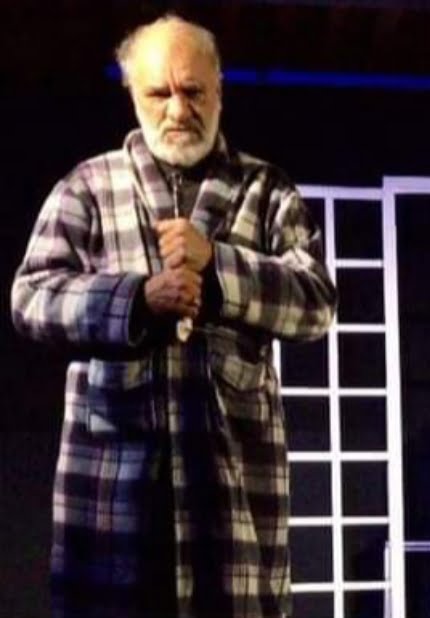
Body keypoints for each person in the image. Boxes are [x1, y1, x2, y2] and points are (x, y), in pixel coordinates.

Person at [9, 15, 336, 617]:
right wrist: (135, 300)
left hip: (232, 489)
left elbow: (316, 302)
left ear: (220, 91)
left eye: (194, 91)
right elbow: (31, 298)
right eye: (160, 93)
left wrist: (220, 268)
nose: (179, 110)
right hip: (111, 489)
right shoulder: (87, 186)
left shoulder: (265, 189)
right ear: (132, 93)